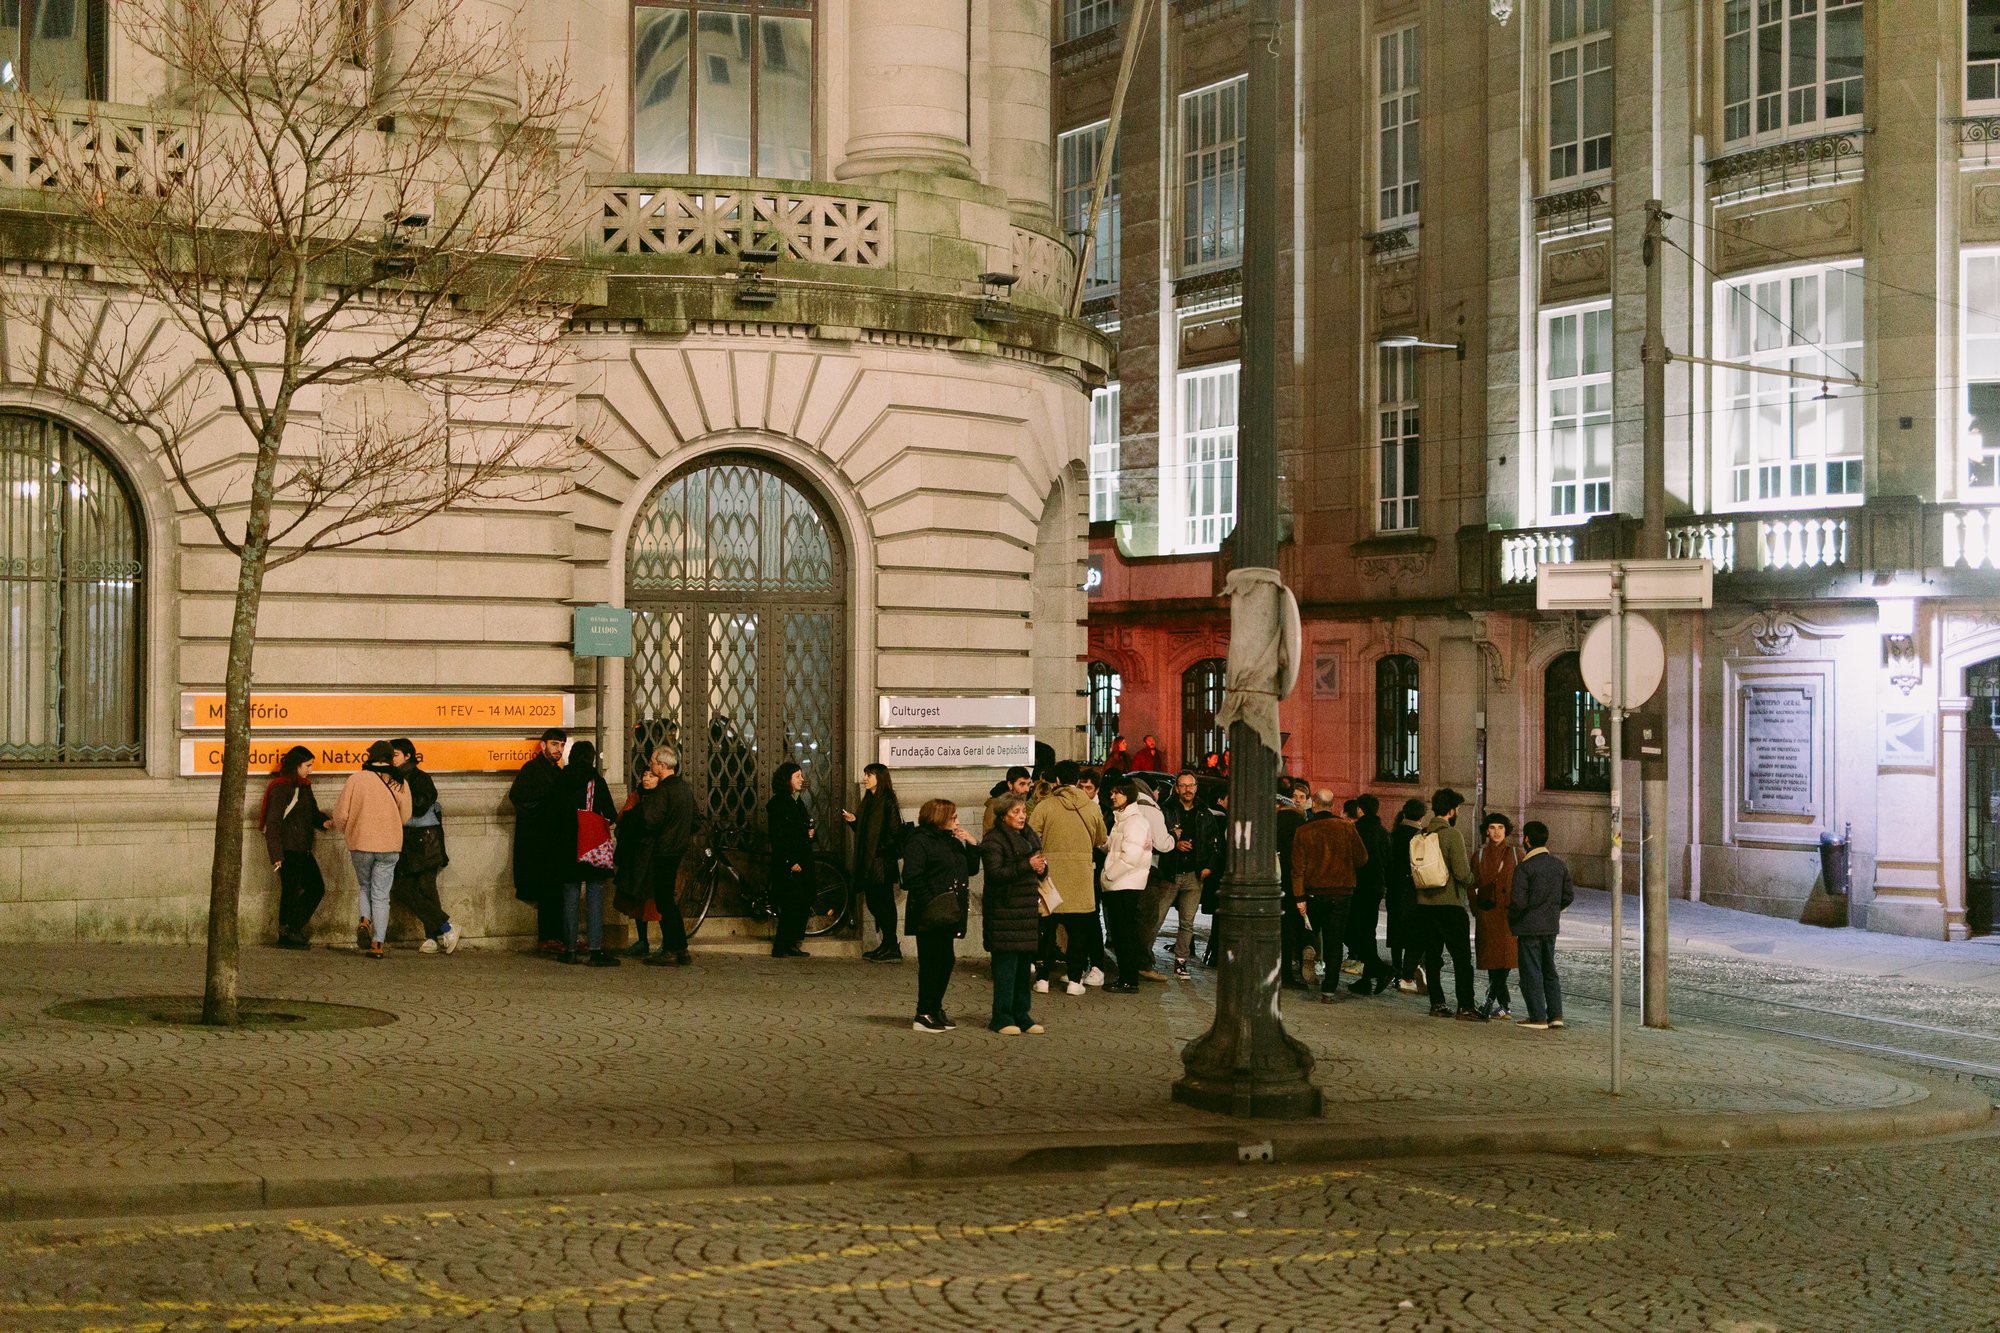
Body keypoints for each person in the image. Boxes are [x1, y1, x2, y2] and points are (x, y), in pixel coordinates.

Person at [901, 798, 980, 1032]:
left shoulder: (952, 841)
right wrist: (930, 901)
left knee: (946, 960)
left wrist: (972, 844)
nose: (956, 821)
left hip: (949, 911)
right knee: (931, 962)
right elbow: (912, 876)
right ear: (938, 818)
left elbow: (971, 869)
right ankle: (923, 1012)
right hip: (930, 912)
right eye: (952, 817)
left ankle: (935, 1007)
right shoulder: (919, 841)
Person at [1030, 761, 1108, 995]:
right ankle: (1075, 980)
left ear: (1056, 781)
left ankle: (1042, 979)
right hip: (1081, 877)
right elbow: (1101, 838)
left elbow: (1031, 836)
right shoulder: (1092, 808)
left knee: (1046, 929)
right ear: (1077, 781)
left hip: (1050, 877)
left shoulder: (1046, 806)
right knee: (1078, 932)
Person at [329, 740, 413, 959]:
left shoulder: (356, 779)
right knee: (382, 895)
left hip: (361, 843)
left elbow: (341, 814)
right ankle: (377, 945)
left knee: (365, 886)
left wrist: (348, 829)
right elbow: (405, 815)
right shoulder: (399, 781)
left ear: (370, 756)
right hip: (389, 845)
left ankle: (364, 919)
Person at [617, 743, 697, 966]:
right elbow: (695, 820)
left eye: (652, 762)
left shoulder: (663, 790)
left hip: (662, 851)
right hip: (677, 849)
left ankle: (673, 948)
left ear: (662, 766)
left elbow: (650, 820)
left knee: (664, 902)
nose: (650, 765)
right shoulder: (683, 788)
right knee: (667, 901)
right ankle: (680, 948)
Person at [1288, 789, 1369, 1002]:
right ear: (1333, 805)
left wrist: (1299, 897)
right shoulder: (1346, 828)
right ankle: (1329, 990)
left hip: (1313, 892)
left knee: (1310, 929)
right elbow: (1362, 858)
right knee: (1335, 940)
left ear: (1313, 804)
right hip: (1342, 892)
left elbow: (1297, 869)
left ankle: (1309, 948)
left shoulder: (1303, 831)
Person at [979, 795, 1046, 1034]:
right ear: (1003, 815)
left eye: (1023, 812)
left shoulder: (1029, 836)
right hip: (1004, 912)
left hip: (1026, 911)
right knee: (1006, 969)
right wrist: (1027, 865)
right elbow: (996, 873)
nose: (1021, 816)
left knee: (1022, 970)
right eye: (1016, 812)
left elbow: (1036, 868)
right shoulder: (993, 840)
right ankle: (1002, 1016)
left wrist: (1040, 867)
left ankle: (1022, 1013)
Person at [387, 739, 459, 955]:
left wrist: (396, 795)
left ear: (408, 755)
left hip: (425, 841)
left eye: (396, 754)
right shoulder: (393, 778)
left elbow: (419, 806)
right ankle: (444, 930)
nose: (392, 758)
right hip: (406, 841)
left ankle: (435, 935)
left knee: (426, 887)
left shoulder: (421, 778)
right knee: (404, 888)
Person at [1415, 787, 1480, 1019]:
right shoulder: (1452, 835)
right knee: (1462, 958)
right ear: (1452, 811)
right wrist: (1473, 879)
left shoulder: (1420, 835)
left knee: (1433, 957)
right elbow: (1462, 873)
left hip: (1424, 905)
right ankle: (1466, 1006)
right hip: (1450, 905)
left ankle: (1438, 1004)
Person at [1149, 771, 1218, 979]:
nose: (1188, 789)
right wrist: (1174, 843)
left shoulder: (1204, 813)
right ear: (1177, 788)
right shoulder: (1167, 810)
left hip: (1194, 874)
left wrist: (1208, 867)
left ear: (1196, 787)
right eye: (1183, 785)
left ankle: (1181, 962)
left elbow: (1214, 843)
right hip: (1171, 871)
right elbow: (1156, 839)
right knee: (1156, 917)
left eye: (1191, 785)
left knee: (1187, 921)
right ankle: (1143, 958)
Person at [262, 745, 332, 949]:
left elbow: (312, 813)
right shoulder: (280, 787)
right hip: (288, 849)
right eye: (308, 765)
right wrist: (276, 854)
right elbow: (272, 823)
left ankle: (291, 928)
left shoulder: (304, 786)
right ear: (297, 765)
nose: (311, 770)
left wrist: (324, 822)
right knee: (291, 891)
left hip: (302, 848)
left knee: (315, 888)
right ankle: (287, 933)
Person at [557, 741, 621, 966]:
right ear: (592, 758)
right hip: (591, 847)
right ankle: (595, 950)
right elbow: (612, 815)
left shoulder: (560, 780)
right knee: (595, 896)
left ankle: (570, 950)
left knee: (570, 898)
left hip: (566, 848)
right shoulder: (596, 782)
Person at [508, 727, 571, 952]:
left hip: (553, 842)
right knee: (547, 891)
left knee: (556, 891)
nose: (559, 749)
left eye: (562, 745)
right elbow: (519, 798)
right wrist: (545, 811)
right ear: (543, 745)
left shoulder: (556, 771)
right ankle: (548, 937)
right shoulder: (532, 769)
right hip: (539, 843)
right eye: (555, 744)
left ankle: (560, 937)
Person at [1508, 820, 1574, 1030]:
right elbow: (1568, 895)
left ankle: (1537, 1016)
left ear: (1526, 840)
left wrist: (1513, 919)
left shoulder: (1524, 868)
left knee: (1531, 971)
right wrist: (1552, 910)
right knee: (1549, 970)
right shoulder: (1558, 865)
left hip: (1529, 927)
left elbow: (1518, 902)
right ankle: (1556, 1015)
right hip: (1550, 926)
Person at [843, 764, 906, 961]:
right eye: (865, 774)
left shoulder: (887, 800)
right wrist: (854, 821)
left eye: (869, 774)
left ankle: (891, 946)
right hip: (870, 862)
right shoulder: (869, 800)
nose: (865, 778)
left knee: (883, 903)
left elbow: (894, 832)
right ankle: (886, 945)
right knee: (873, 902)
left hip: (882, 862)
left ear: (880, 777)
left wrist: (878, 850)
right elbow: (866, 831)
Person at [1098, 778, 1154, 993]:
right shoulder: (1122, 820)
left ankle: (1128, 979)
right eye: (1112, 792)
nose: (1113, 796)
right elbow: (1113, 849)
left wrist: (1109, 875)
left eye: (1118, 792)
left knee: (1125, 934)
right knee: (1122, 934)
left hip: (1125, 884)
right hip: (1120, 884)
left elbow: (1130, 857)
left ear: (1129, 795)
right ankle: (1126, 978)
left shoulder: (1134, 821)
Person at [1473, 812, 1521, 1019]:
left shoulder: (1516, 853)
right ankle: (1505, 1007)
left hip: (1509, 916)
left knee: (1506, 961)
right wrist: (1477, 910)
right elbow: (1471, 884)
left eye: (1500, 827)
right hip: (1488, 915)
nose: (1497, 832)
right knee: (1494, 962)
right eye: (1492, 827)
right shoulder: (1480, 855)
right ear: (1486, 830)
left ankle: (1489, 1001)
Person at [766, 761, 816, 958]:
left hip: (803, 859)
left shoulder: (797, 801)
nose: (802, 780)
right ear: (787, 780)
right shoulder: (779, 804)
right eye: (797, 776)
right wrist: (789, 861)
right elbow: (779, 837)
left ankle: (792, 943)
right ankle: (781, 945)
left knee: (802, 902)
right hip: (791, 862)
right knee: (791, 903)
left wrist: (810, 832)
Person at [1346, 793, 1394, 994]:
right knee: (1368, 931)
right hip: (1376, 888)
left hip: (1359, 887)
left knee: (1354, 931)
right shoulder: (1383, 832)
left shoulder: (1357, 830)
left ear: (1359, 810)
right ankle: (1366, 980)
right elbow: (1388, 860)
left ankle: (1380, 968)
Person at [1387, 797, 1428, 992]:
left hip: (1395, 887)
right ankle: (1410, 969)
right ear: (1422, 815)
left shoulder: (1394, 834)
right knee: (1414, 929)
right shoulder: (1420, 837)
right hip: (1413, 888)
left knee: (1395, 928)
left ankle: (1396, 968)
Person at [1275, 778, 1311, 989]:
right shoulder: (1301, 824)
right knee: (1290, 928)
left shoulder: (1273, 821)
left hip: (1273, 880)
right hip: (1293, 882)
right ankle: (1287, 973)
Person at [983, 766, 1032, 834]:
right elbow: (988, 835)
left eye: (1028, 784)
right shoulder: (995, 805)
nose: (1027, 789)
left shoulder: (1025, 802)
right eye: (1022, 784)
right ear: (1010, 784)